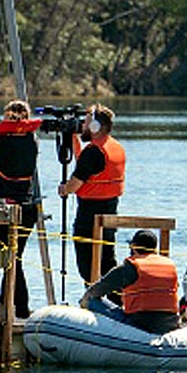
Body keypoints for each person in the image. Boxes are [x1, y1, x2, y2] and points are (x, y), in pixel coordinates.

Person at [0, 99, 42, 318]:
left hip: (4, 205)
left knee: (11, 257)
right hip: (28, 205)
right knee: (16, 256)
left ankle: (21, 308)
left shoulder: (4, 141)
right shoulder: (32, 140)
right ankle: (5, 303)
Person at [56, 104, 126, 295]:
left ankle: (97, 303)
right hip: (110, 214)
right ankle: (116, 302)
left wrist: (64, 189)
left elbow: (75, 183)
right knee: (107, 264)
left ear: (95, 127)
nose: (82, 127)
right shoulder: (113, 147)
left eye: (85, 123)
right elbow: (87, 166)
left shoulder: (93, 152)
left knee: (87, 267)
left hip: (89, 216)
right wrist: (73, 139)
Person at [78, 229, 180, 334]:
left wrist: (83, 303)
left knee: (92, 301)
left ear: (134, 248)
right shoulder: (169, 265)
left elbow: (96, 290)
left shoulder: (130, 267)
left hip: (140, 325)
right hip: (170, 325)